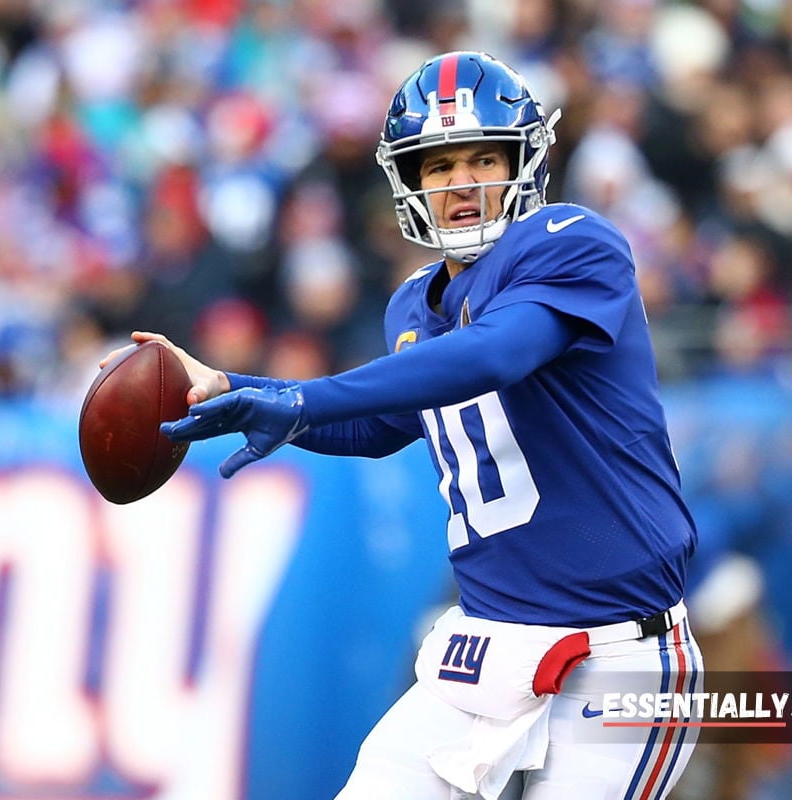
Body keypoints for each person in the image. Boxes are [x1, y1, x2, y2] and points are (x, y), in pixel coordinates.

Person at [103, 51, 702, 800]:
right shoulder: (414, 305)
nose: (464, 184)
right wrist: (235, 389)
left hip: (612, 659)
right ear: (409, 180)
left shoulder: (573, 241)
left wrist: (303, 400)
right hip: (482, 652)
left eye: (485, 158)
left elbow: (495, 354)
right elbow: (384, 422)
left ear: (527, 161)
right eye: (441, 165)